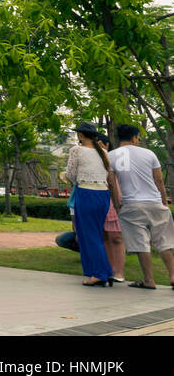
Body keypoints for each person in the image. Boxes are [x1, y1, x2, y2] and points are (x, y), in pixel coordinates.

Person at [109, 124, 174, 290]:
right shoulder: (149, 153)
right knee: (164, 242)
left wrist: (117, 204)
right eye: (138, 138)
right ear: (133, 137)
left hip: (131, 205)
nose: (138, 140)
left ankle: (149, 280)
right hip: (154, 203)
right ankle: (173, 276)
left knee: (141, 243)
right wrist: (164, 201)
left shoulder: (111, 156)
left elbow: (111, 182)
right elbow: (158, 180)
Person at [63, 121, 119, 287]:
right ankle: (106, 272)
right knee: (96, 235)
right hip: (103, 195)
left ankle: (98, 274)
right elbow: (108, 175)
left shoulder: (77, 150)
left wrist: (65, 177)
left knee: (89, 236)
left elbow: (71, 175)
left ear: (80, 135)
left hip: (86, 193)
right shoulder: (103, 151)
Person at [97, 133, 127, 282]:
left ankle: (119, 272)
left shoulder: (115, 158)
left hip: (114, 201)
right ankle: (109, 270)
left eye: (100, 144)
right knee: (104, 237)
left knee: (116, 237)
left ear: (107, 145)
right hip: (99, 200)